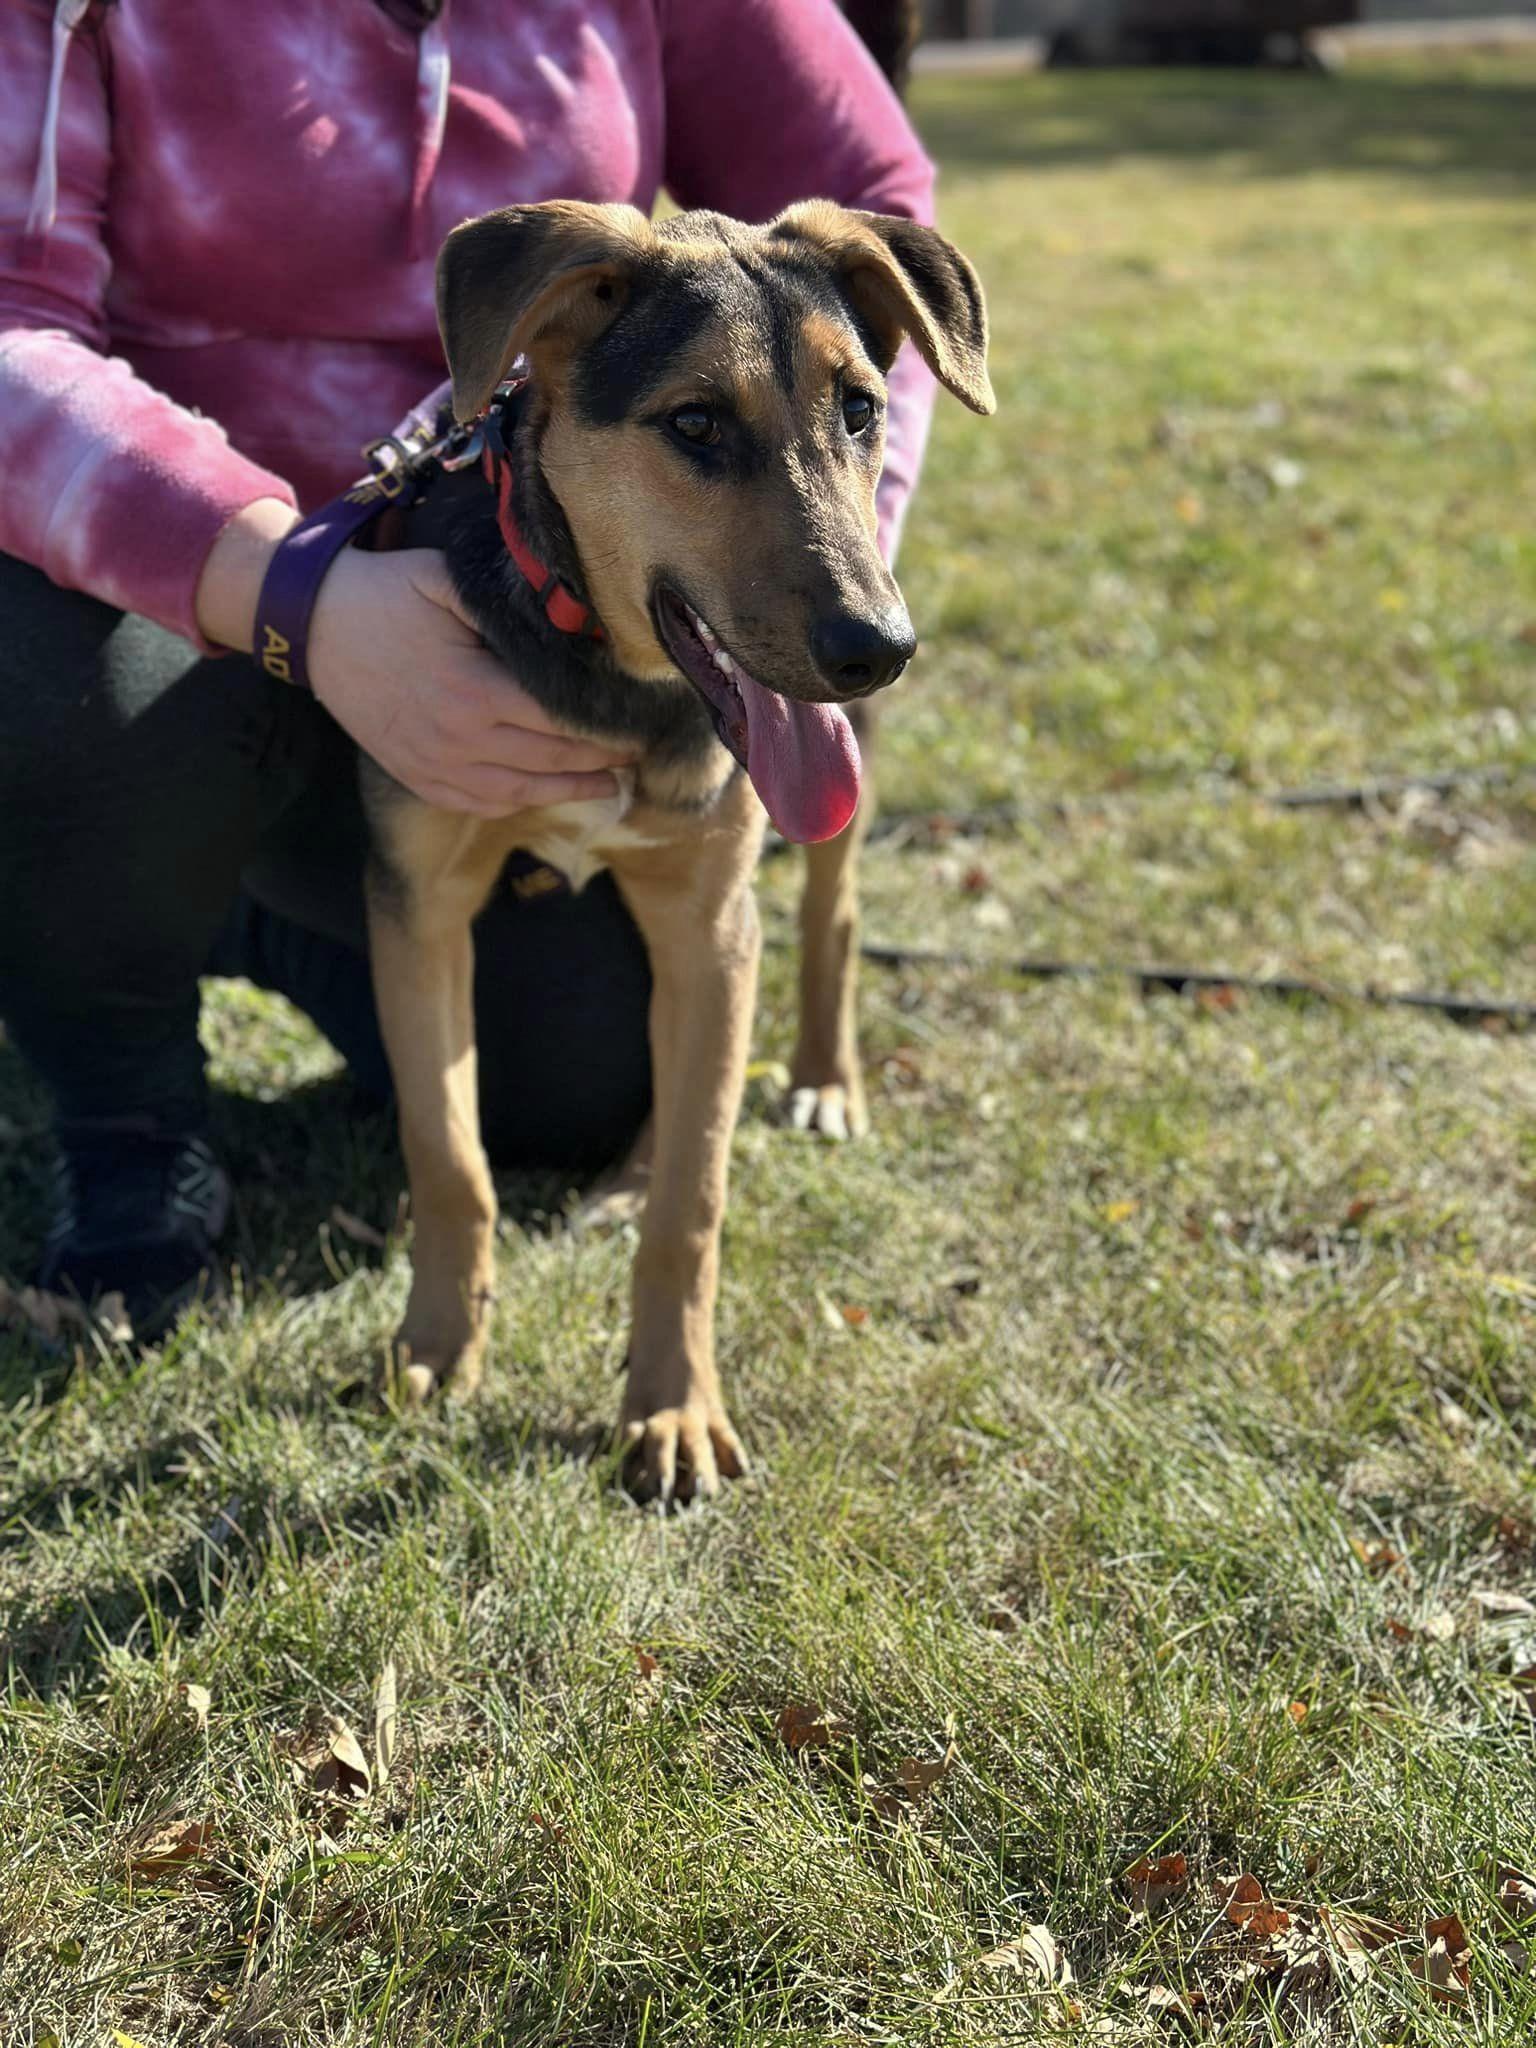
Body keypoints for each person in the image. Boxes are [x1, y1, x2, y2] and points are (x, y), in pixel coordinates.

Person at [0, 0, 936, 1331]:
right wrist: (298, 594)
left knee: (581, 1090)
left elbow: (865, 202)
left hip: (541, 614)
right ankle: (127, 1116)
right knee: (39, 671)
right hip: (172, 625)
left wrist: (821, 570)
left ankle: (248, 908)